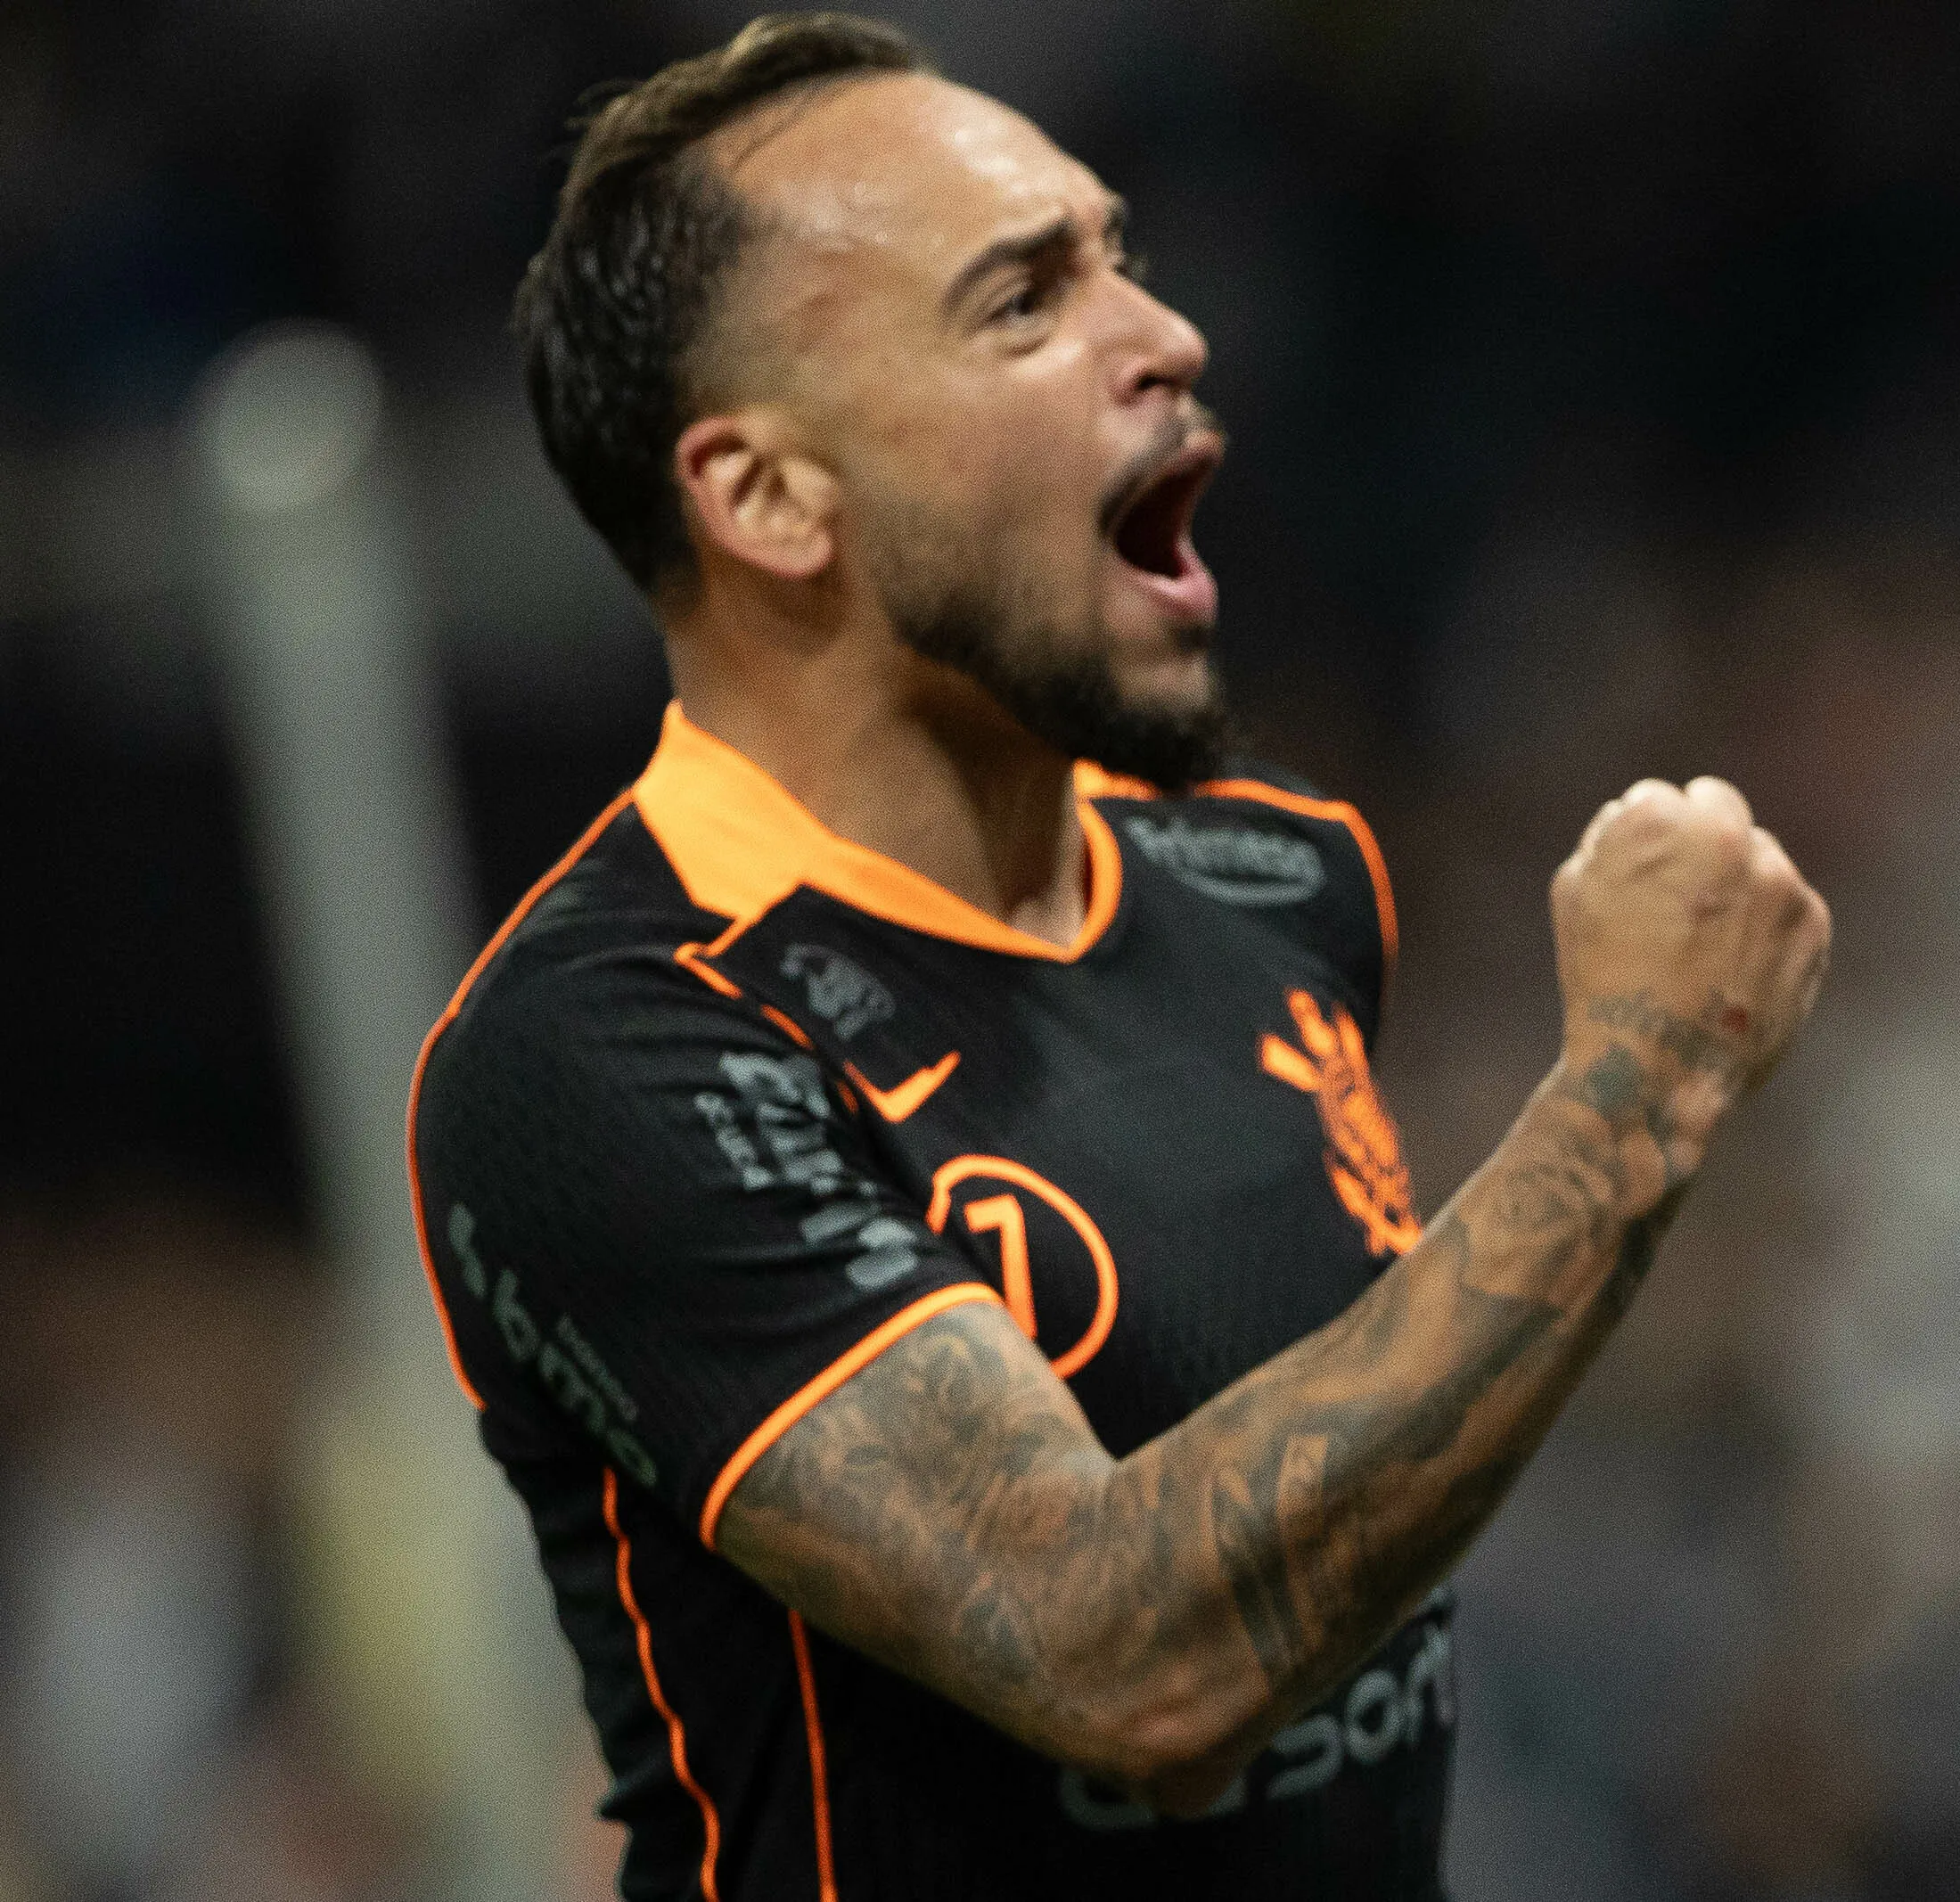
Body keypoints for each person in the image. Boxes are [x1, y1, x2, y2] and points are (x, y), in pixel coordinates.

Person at [409, 13, 1830, 1898]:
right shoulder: (614, 1041)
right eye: (1020, 303)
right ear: (765, 498)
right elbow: (1123, 1652)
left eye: (1120, 258)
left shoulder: (1281, 873)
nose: (1164, 336)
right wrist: (1634, 1089)